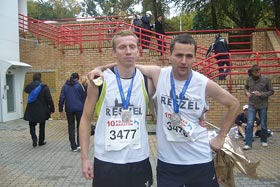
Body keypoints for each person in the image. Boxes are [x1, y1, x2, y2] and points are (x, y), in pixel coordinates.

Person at [89, 33, 240, 187]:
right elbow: (127, 64)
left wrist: (221, 137)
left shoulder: (202, 83)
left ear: (195, 58)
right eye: (179, 55)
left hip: (200, 160)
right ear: (170, 56)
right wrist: (99, 68)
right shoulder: (159, 75)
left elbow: (233, 104)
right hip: (168, 164)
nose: (183, 61)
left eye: (189, 56)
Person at [79, 30, 154, 187]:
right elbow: (85, 119)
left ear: (138, 50)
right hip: (107, 161)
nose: (128, 51)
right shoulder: (100, 81)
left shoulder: (148, 81)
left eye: (132, 46)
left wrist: (200, 117)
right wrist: (85, 158)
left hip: (138, 160)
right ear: (114, 51)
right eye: (122, 47)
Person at [243, 64, 274, 150]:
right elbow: (245, 88)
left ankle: (263, 140)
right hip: (252, 104)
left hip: (262, 105)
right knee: (249, 124)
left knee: (263, 124)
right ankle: (248, 143)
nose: (258, 74)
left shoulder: (266, 79)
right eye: (256, 72)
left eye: (259, 72)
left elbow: (271, 91)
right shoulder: (249, 79)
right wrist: (247, 93)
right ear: (252, 72)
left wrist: (261, 94)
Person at [24, 73, 55, 147]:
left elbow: (26, 90)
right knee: (42, 125)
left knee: (31, 125)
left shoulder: (30, 86)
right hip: (42, 109)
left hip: (31, 109)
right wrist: (52, 108)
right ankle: (41, 141)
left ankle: (34, 139)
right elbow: (49, 99)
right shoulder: (44, 87)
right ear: (40, 78)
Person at [58, 73, 86, 152]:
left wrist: (60, 109)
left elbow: (61, 98)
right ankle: (79, 144)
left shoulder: (65, 86)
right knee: (80, 126)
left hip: (69, 109)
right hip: (79, 108)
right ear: (77, 78)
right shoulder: (79, 86)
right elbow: (84, 97)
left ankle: (73, 146)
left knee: (71, 126)